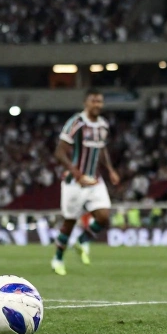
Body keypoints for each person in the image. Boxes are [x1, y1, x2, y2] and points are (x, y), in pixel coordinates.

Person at [51, 88, 120, 275]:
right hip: (74, 182)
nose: (97, 105)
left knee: (104, 217)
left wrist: (110, 170)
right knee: (69, 223)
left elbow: (102, 149)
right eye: (93, 101)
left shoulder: (103, 125)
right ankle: (58, 258)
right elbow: (59, 152)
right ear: (85, 103)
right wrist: (76, 173)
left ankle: (82, 240)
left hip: (95, 180)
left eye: (100, 101)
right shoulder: (76, 123)